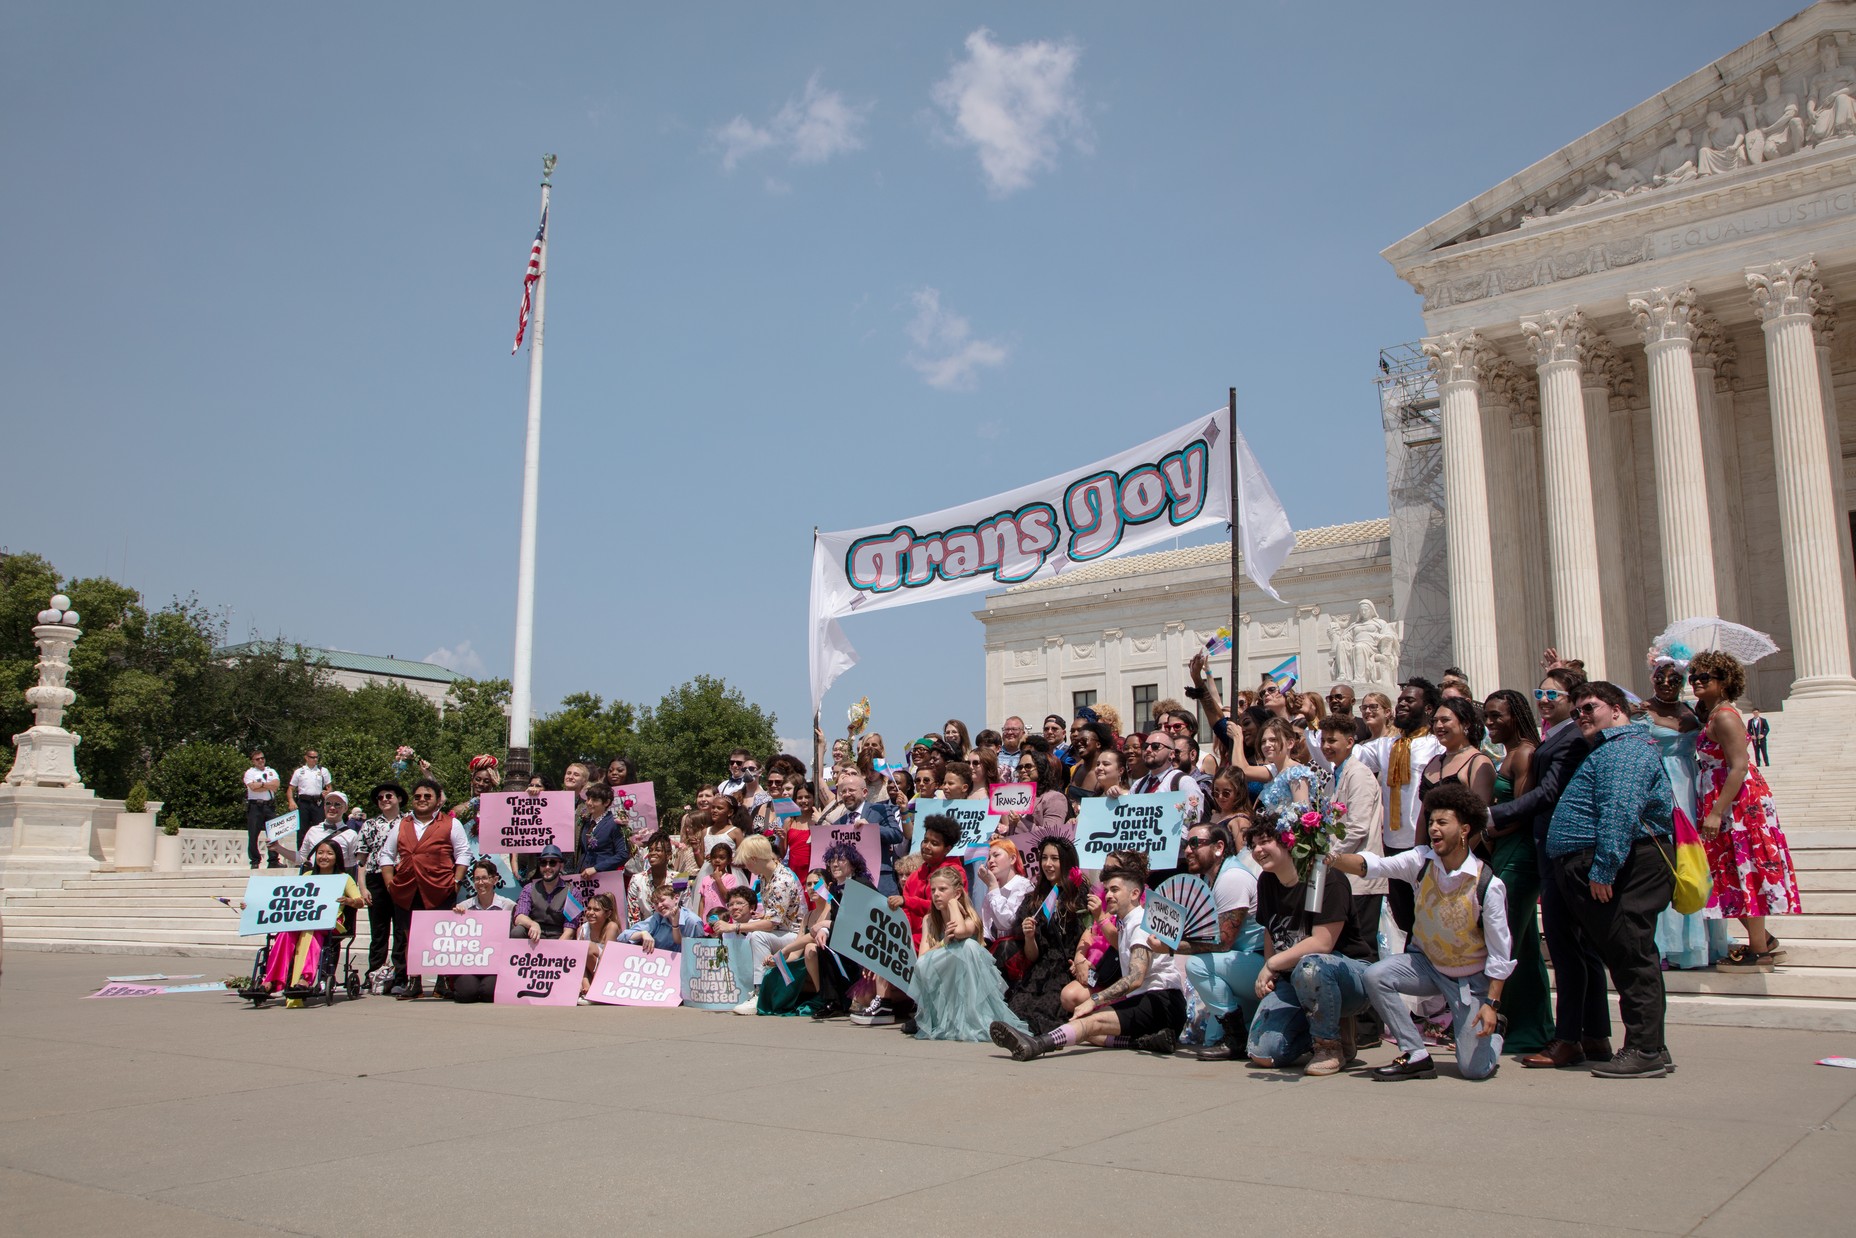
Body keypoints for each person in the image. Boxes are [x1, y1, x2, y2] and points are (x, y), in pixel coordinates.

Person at [1328, 783, 1511, 1080]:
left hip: (1468, 979)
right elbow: (1373, 866)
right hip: (1425, 964)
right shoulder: (1421, 861)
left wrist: (1491, 1005)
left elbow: (1501, 954)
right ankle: (1415, 1053)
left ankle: (1496, 1028)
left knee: (1475, 1070)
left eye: (1442, 822)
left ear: (1464, 830)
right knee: (1375, 975)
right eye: (1431, 822)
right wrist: (1331, 858)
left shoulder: (1488, 884)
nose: (1433, 829)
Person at [1546, 680, 1676, 1078]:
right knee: (1626, 954)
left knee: (1630, 954)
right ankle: (1651, 1044)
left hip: (1626, 864)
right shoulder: (1610, 749)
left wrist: (1603, 869)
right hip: (1607, 863)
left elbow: (1619, 810)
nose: (1581, 716)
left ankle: (1645, 1049)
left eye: (1591, 708)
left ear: (1618, 710)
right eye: (1577, 711)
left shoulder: (1624, 750)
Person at [990, 867, 1187, 1059]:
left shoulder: (1138, 924)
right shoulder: (1125, 922)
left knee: (1092, 1022)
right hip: (1146, 1001)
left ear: (1135, 893)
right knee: (1090, 1031)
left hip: (1162, 1002)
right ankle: (1147, 1041)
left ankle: (1037, 1044)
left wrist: (1094, 1000)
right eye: (1107, 889)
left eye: (1115, 890)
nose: (1108, 895)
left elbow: (1136, 978)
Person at [1690, 651, 1801, 969]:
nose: (1696, 681)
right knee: (1729, 872)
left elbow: (1738, 766)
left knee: (1744, 867)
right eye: (1694, 676)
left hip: (1739, 806)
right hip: (1725, 801)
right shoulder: (1713, 714)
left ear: (1723, 682)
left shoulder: (1725, 716)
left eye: (1704, 677)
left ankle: (1759, 950)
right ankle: (1762, 941)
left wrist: (1716, 812)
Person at [1243, 814, 1374, 1076]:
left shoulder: (1325, 876)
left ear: (1289, 842)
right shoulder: (1267, 881)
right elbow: (1272, 930)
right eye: (1253, 845)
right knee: (1264, 1052)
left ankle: (1330, 1046)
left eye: (1266, 841)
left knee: (1311, 966)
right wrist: (1275, 975)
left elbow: (1322, 943)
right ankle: (1319, 1026)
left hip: (1348, 976)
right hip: (1294, 978)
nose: (1258, 850)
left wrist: (1271, 964)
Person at [1643, 656, 1732, 971]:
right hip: (1660, 785)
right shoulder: (1641, 711)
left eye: (1674, 679)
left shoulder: (1694, 712)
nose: (1667, 684)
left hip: (1692, 787)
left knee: (1695, 858)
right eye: (1660, 678)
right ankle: (1666, 945)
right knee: (1668, 857)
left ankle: (1698, 943)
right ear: (1652, 678)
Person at [1150, 821, 1264, 1062]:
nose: (1187, 851)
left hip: (1258, 964)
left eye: (1194, 844)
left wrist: (1170, 946)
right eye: (1185, 845)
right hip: (1238, 966)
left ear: (1219, 847)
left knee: (1196, 965)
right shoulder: (1213, 878)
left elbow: (1222, 943)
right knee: (1211, 1040)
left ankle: (1236, 1038)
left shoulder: (1232, 878)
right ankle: (1235, 1031)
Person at [1481, 689, 1553, 1053]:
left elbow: (1524, 811)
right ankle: (1525, 1026)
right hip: (1505, 852)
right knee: (1519, 943)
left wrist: (1484, 829)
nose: (1490, 723)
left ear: (1516, 716)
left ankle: (1531, 1029)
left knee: (1509, 942)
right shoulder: (1508, 753)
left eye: (1497, 716)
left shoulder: (1524, 753)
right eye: (1487, 716)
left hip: (1520, 856)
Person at [1358, 678, 1445, 936]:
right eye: (1400, 700)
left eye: (1409, 700)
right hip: (1392, 843)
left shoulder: (1436, 746)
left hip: (1424, 842)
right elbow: (1346, 756)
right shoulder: (1386, 745)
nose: (1402, 704)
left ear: (1428, 709)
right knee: (1404, 916)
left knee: (1430, 912)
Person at [913, 866, 1031, 1042]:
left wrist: (953, 904)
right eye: (933, 890)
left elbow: (959, 931)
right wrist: (943, 942)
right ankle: (940, 1019)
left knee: (968, 946)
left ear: (957, 893)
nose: (936, 894)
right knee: (926, 962)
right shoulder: (929, 920)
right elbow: (922, 958)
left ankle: (975, 1019)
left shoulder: (970, 917)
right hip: (944, 981)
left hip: (968, 982)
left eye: (942, 889)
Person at [379, 778, 470, 1000]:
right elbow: (386, 855)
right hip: (408, 890)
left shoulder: (451, 823)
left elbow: (463, 853)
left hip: (440, 888)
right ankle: (414, 983)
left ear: (438, 800)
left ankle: (442, 983)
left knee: (442, 938)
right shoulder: (402, 824)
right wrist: (390, 883)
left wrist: (456, 882)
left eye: (427, 796)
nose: (422, 800)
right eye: (418, 796)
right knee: (410, 938)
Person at [996, 835, 1090, 1034]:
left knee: (1048, 1014)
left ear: (1067, 862)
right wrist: (1029, 936)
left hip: (1072, 968)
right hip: (1042, 970)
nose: (1048, 864)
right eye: (1044, 858)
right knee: (1019, 1011)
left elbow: (1092, 935)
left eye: (1054, 859)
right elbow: (1032, 955)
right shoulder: (1034, 900)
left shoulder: (1082, 896)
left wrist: (1081, 960)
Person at [261, 839, 365, 1007]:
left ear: (337, 857)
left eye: (329, 853)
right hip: (304, 920)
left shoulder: (343, 878)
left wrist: (348, 901)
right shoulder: (307, 876)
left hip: (330, 923)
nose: (324, 857)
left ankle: (305, 978)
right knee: (284, 933)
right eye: (321, 853)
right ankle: (271, 980)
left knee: (314, 932)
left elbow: (360, 901)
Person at [1320, 713, 1386, 964]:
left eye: (1332, 741)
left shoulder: (1359, 774)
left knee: (1364, 947)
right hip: (1341, 875)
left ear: (1349, 742)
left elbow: (1357, 827)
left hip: (1360, 874)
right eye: (1324, 740)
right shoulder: (1335, 775)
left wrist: (1329, 856)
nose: (1326, 746)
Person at [724, 834, 805, 1014]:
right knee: (753, 929)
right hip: (782, 931)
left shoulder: (781, 881)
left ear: (754, 859)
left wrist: (735, 926)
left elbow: (771, 924)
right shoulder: (766, 877)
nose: (745, 866)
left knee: (757, 934)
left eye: (746, 862)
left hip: (795, 935)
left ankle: (760, 993)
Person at [804, 842, 878, 1019]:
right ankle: (833, 1001)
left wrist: (826, 926)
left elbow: (859, 920)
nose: (835, 864)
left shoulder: (861, 884)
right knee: (824, 945)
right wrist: (826, 931)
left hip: (868, 939)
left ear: (853, 863)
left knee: (830, 942)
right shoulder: (836, 890)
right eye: (831, 860)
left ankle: (849, 999)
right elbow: (838, 920)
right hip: (849, 938)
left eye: (841, 860)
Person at [818, 771, 905, 896]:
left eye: (851, 790)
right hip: (852, 888)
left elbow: (897, 835)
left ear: (864, 792)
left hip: (880, 883)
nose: (847, 795)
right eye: (843, 792)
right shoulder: (839, 824)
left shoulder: (880, 810)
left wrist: (872, 828)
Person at [448, 858, 515, 1003]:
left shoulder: (508, 906)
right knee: (466, 995)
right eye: (476, 879)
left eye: (484, 878)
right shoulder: (463, 907)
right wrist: (455, 918)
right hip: (469, 964)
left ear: (495, 879)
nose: (480, 883)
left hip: (495, 965)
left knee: (489, 994)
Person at [1419, 697, 1496, 807]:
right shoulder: (1434, 761)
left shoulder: (1478, 763)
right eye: (1435, 721)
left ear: (1466, 723)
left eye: (1445, 720)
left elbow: (1481, 816)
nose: (1438, 726)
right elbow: (1423, 814)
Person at [512, 844, 583, 950]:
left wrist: (553, 952)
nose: (547, 867)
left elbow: (569, 931)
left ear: (561, 866)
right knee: (517, 931)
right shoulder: (529, 888)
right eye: (543, 863)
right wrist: (532, 924)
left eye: (552, 863)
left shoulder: (573, 893)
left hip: (559, 940)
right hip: (534, 937)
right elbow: (519, 917)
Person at [977, 839, 1033, 943]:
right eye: (989, 858)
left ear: (1012, 859)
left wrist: (992, 886)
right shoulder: (994, 889)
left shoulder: (1023, 885)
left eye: (996, 855)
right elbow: (986, 928)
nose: (990, 861)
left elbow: (1007, 924)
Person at [622, 882, 703, 952]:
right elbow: (623, 936)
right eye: (656, 903)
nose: (659, 905)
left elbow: (701, 950)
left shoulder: (692, 921)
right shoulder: (657, 918)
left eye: (662, 900)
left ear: (676, 898)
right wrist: (643, 933)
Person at [575, 783, 631, 882]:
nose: (589, 803)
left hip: (604, 877)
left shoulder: (615, 824)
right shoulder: (586, 821)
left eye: (595, 800)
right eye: (588, 799)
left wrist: (596, 868)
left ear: (606, 802)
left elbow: (623, 854)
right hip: (583, 876)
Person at [295, 792, 359, 875]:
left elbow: (353, 864)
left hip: (338, 880)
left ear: (345, 808)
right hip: (314, 880)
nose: (332, 807)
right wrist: (277, 848)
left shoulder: (351, 834)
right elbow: (302, 857)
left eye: (337, 804)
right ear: (324, 806)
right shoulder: (313, 830)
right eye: (328, 803)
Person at [576, 893, 623, 1003]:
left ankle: (598, 991)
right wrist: (585, 983)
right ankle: (586, 990)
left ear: (608, 913)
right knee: (580, 950)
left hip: (610, 973)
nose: (591, 913)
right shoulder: (581, 930)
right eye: (589, 908)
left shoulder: (611, 927)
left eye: (596, 910)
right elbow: (579, 961)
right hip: (588, 974)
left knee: (588, 947)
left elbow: (607, 958)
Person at [243, 749, 283, 869]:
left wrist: (260, 784)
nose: (261, 761)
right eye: (257, 759)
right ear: (253, 761)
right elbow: (253, 787)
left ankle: (273, 860)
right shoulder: (250, 773)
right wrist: (267, 785)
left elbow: (276, 785)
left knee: (273, 833)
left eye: (262, 758)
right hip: (255, 806)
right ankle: (255, 861)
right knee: (253, 834)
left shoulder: (271, 771)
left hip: (269, 806)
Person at [286, 750, 333, 850]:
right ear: (306, 758)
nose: (315, 759)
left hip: (318, 802)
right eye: (312, 757)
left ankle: (318, 853)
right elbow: (291, 788)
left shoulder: (322, 771)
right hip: (303, 802)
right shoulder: (299, 771)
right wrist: (291, 801)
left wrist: (328, 793)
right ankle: (301, 856)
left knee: (320, 828)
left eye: (316, 757)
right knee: (302, 830)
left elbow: (329, 787)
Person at [627, 831, 674, 926]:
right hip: (646, 934)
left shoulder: (679, 878)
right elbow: (633, 918)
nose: (653, 853)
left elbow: (685, 911)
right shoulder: (636, 880)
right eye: (650, 850)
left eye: (658, 850)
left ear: (668, 854)